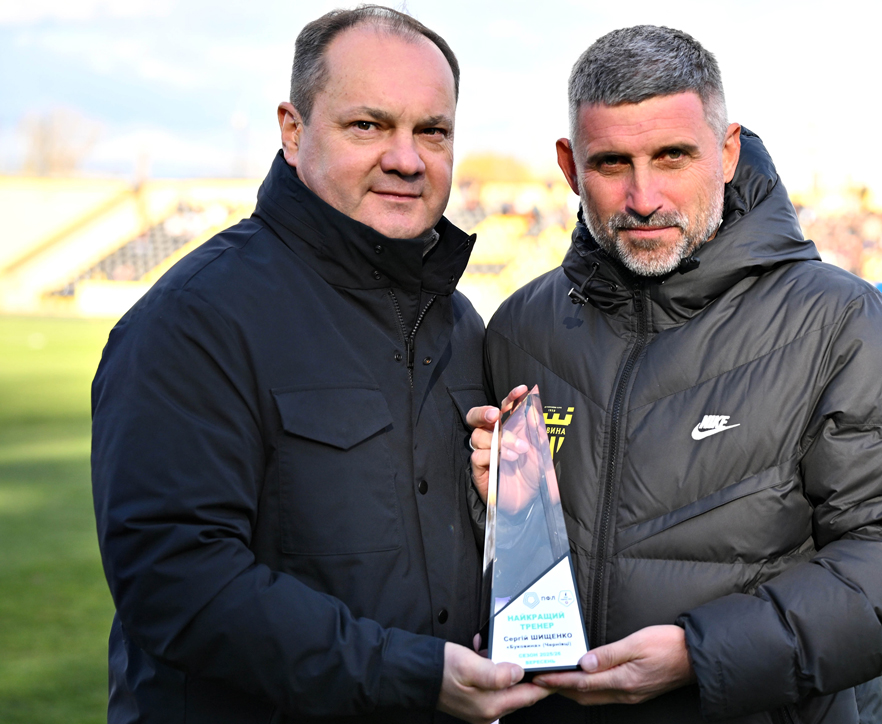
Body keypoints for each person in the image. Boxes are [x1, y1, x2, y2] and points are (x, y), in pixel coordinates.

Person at [467, 25, 882, 723]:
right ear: (569, 166)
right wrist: (494, 510)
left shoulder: (839, 322)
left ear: (728, 151)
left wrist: (703, 655)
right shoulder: (520, 327)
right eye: (612, 164)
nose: (644, 197)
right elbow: (478, 562)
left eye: (672, 156)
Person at [90, 7, 548, 723]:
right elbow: (176, 582)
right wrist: (412, 674)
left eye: (432, 131)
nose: (407, 158)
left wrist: (502, 514)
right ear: (293, 129)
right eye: (368, 125)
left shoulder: (460, 323)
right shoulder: (195, 319)